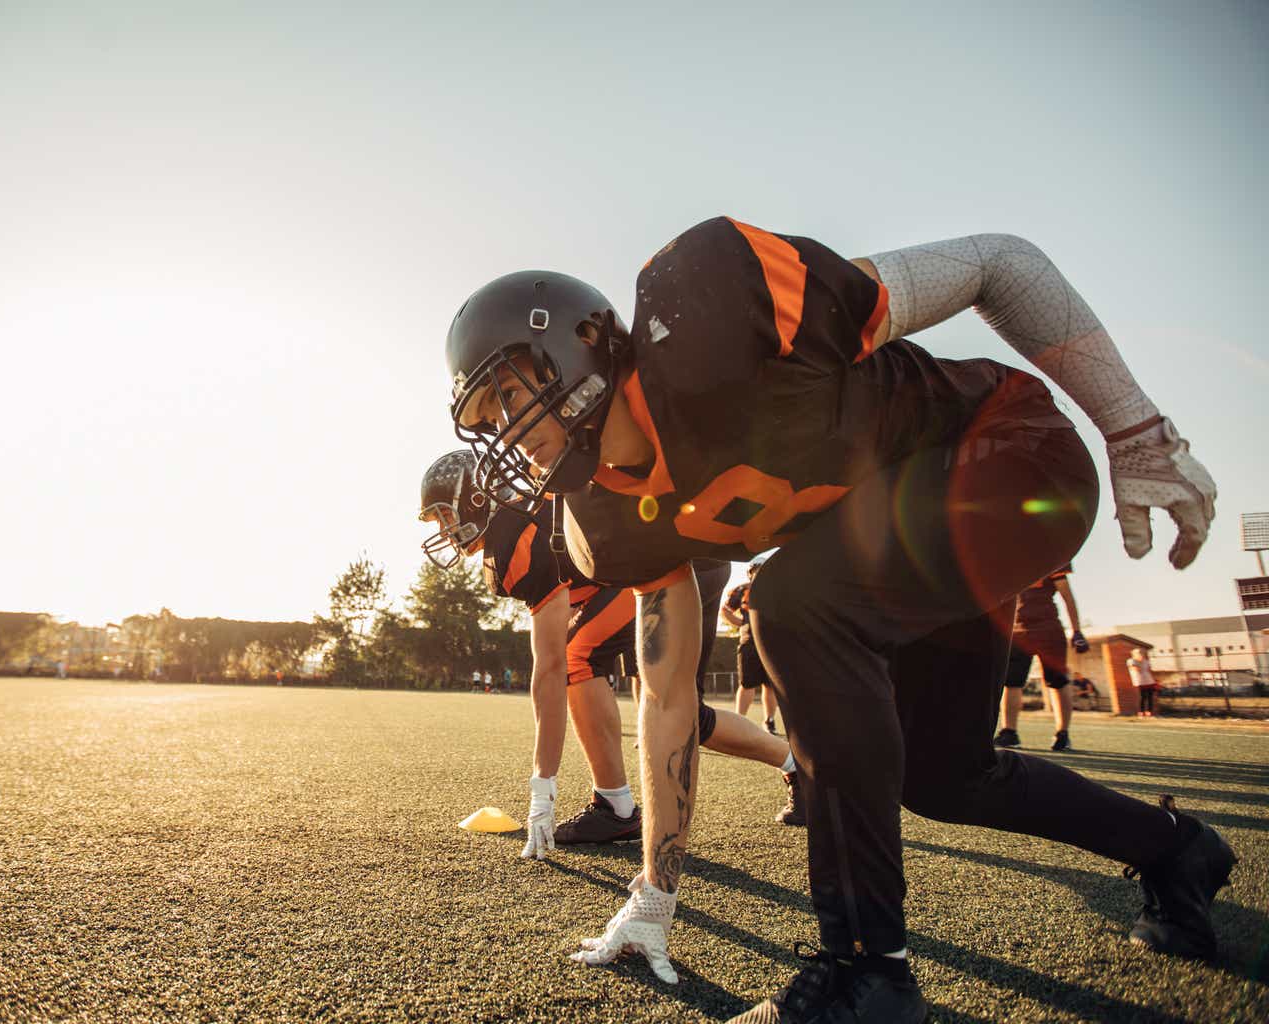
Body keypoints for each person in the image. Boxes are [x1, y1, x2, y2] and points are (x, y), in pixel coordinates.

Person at [444, 219, 1233, 1018]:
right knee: (944, 775)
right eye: (485, 417)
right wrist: (656, 890)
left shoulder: (708, 303)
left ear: (580, 340)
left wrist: (1135, 431)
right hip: (918, 541)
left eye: (508, 393)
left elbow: (999, 262)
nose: (506, 432)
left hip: (1015, 452)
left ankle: (867, 976)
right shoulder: (605, 519)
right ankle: (1176, 852)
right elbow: (667, 699)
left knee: (792, 604)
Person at [420, 451, 801, 861]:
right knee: (684, 715)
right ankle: (799, 765)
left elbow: (550, 668)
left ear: (478, 499)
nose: (445, 529)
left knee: (578, 655)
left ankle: (616, 806)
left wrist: (542, 787)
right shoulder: (521, 520)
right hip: (664, 561)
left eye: (446, 515)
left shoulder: (519, 537)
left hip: (673, 561)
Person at [995, 563, 1089, 751]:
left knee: (1057, 681)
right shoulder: (1008, 561)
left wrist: (1077, 630)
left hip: (1048, 629)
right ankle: (1009, 732)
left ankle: (1062, 733)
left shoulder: (1052, 555)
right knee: (1011, 682)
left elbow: (1067, 596)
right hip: (1018, 632)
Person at [721, 558, 780, 734]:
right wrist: (741, 623)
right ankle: (739, 721)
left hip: (772, 643)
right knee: (747, 683)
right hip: (750, 642)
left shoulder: (777, 590)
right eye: (757, 569)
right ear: (750, 571)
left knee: (770, 685)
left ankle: (769, 721)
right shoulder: (742, 589)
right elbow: (725, 610)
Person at [1129, 647, 1160, 717]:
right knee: (1142, 697)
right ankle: (1141, 712)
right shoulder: (1131, 661)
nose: (1141, 654)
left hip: (1149, 680)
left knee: (1150, 697)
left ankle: (1149, 712)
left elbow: (1149, 670)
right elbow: (1136, 669)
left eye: (1141, 653)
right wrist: (1140, 661)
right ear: (1134, 654)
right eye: (1138, 653)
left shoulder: (1146, 661)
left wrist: (1155, 679)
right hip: (1139, 681)